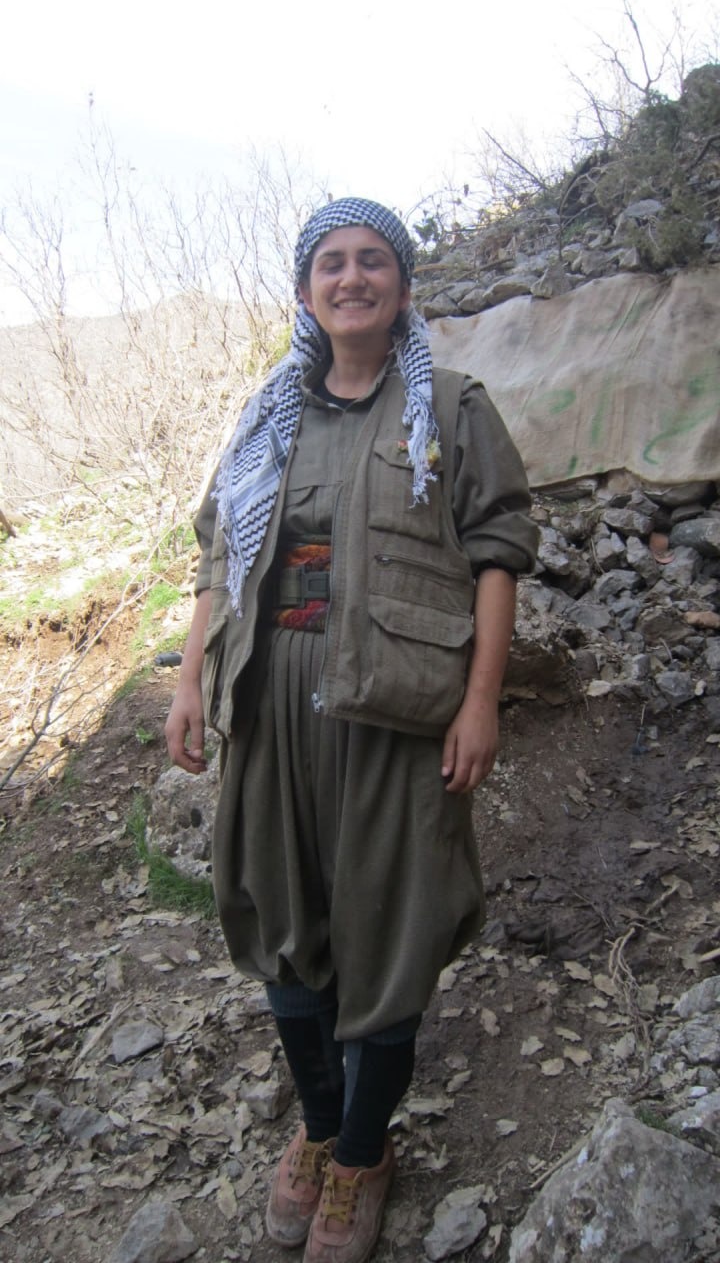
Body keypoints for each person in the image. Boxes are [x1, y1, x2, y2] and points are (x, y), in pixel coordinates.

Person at [165, 197, 538, 1263]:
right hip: (272, 695)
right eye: (331, 262)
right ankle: (321, 1127)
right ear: (306, 291)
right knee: (276, 909)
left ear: (404, 287)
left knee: (393, 917)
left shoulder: (452, 408)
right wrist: (189, 681)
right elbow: (220, 557)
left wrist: (480, 701)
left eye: (374, 260)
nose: (352, 277)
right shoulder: (266, 415)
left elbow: (498, 551)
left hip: (397, 705)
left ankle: (365, 1154)